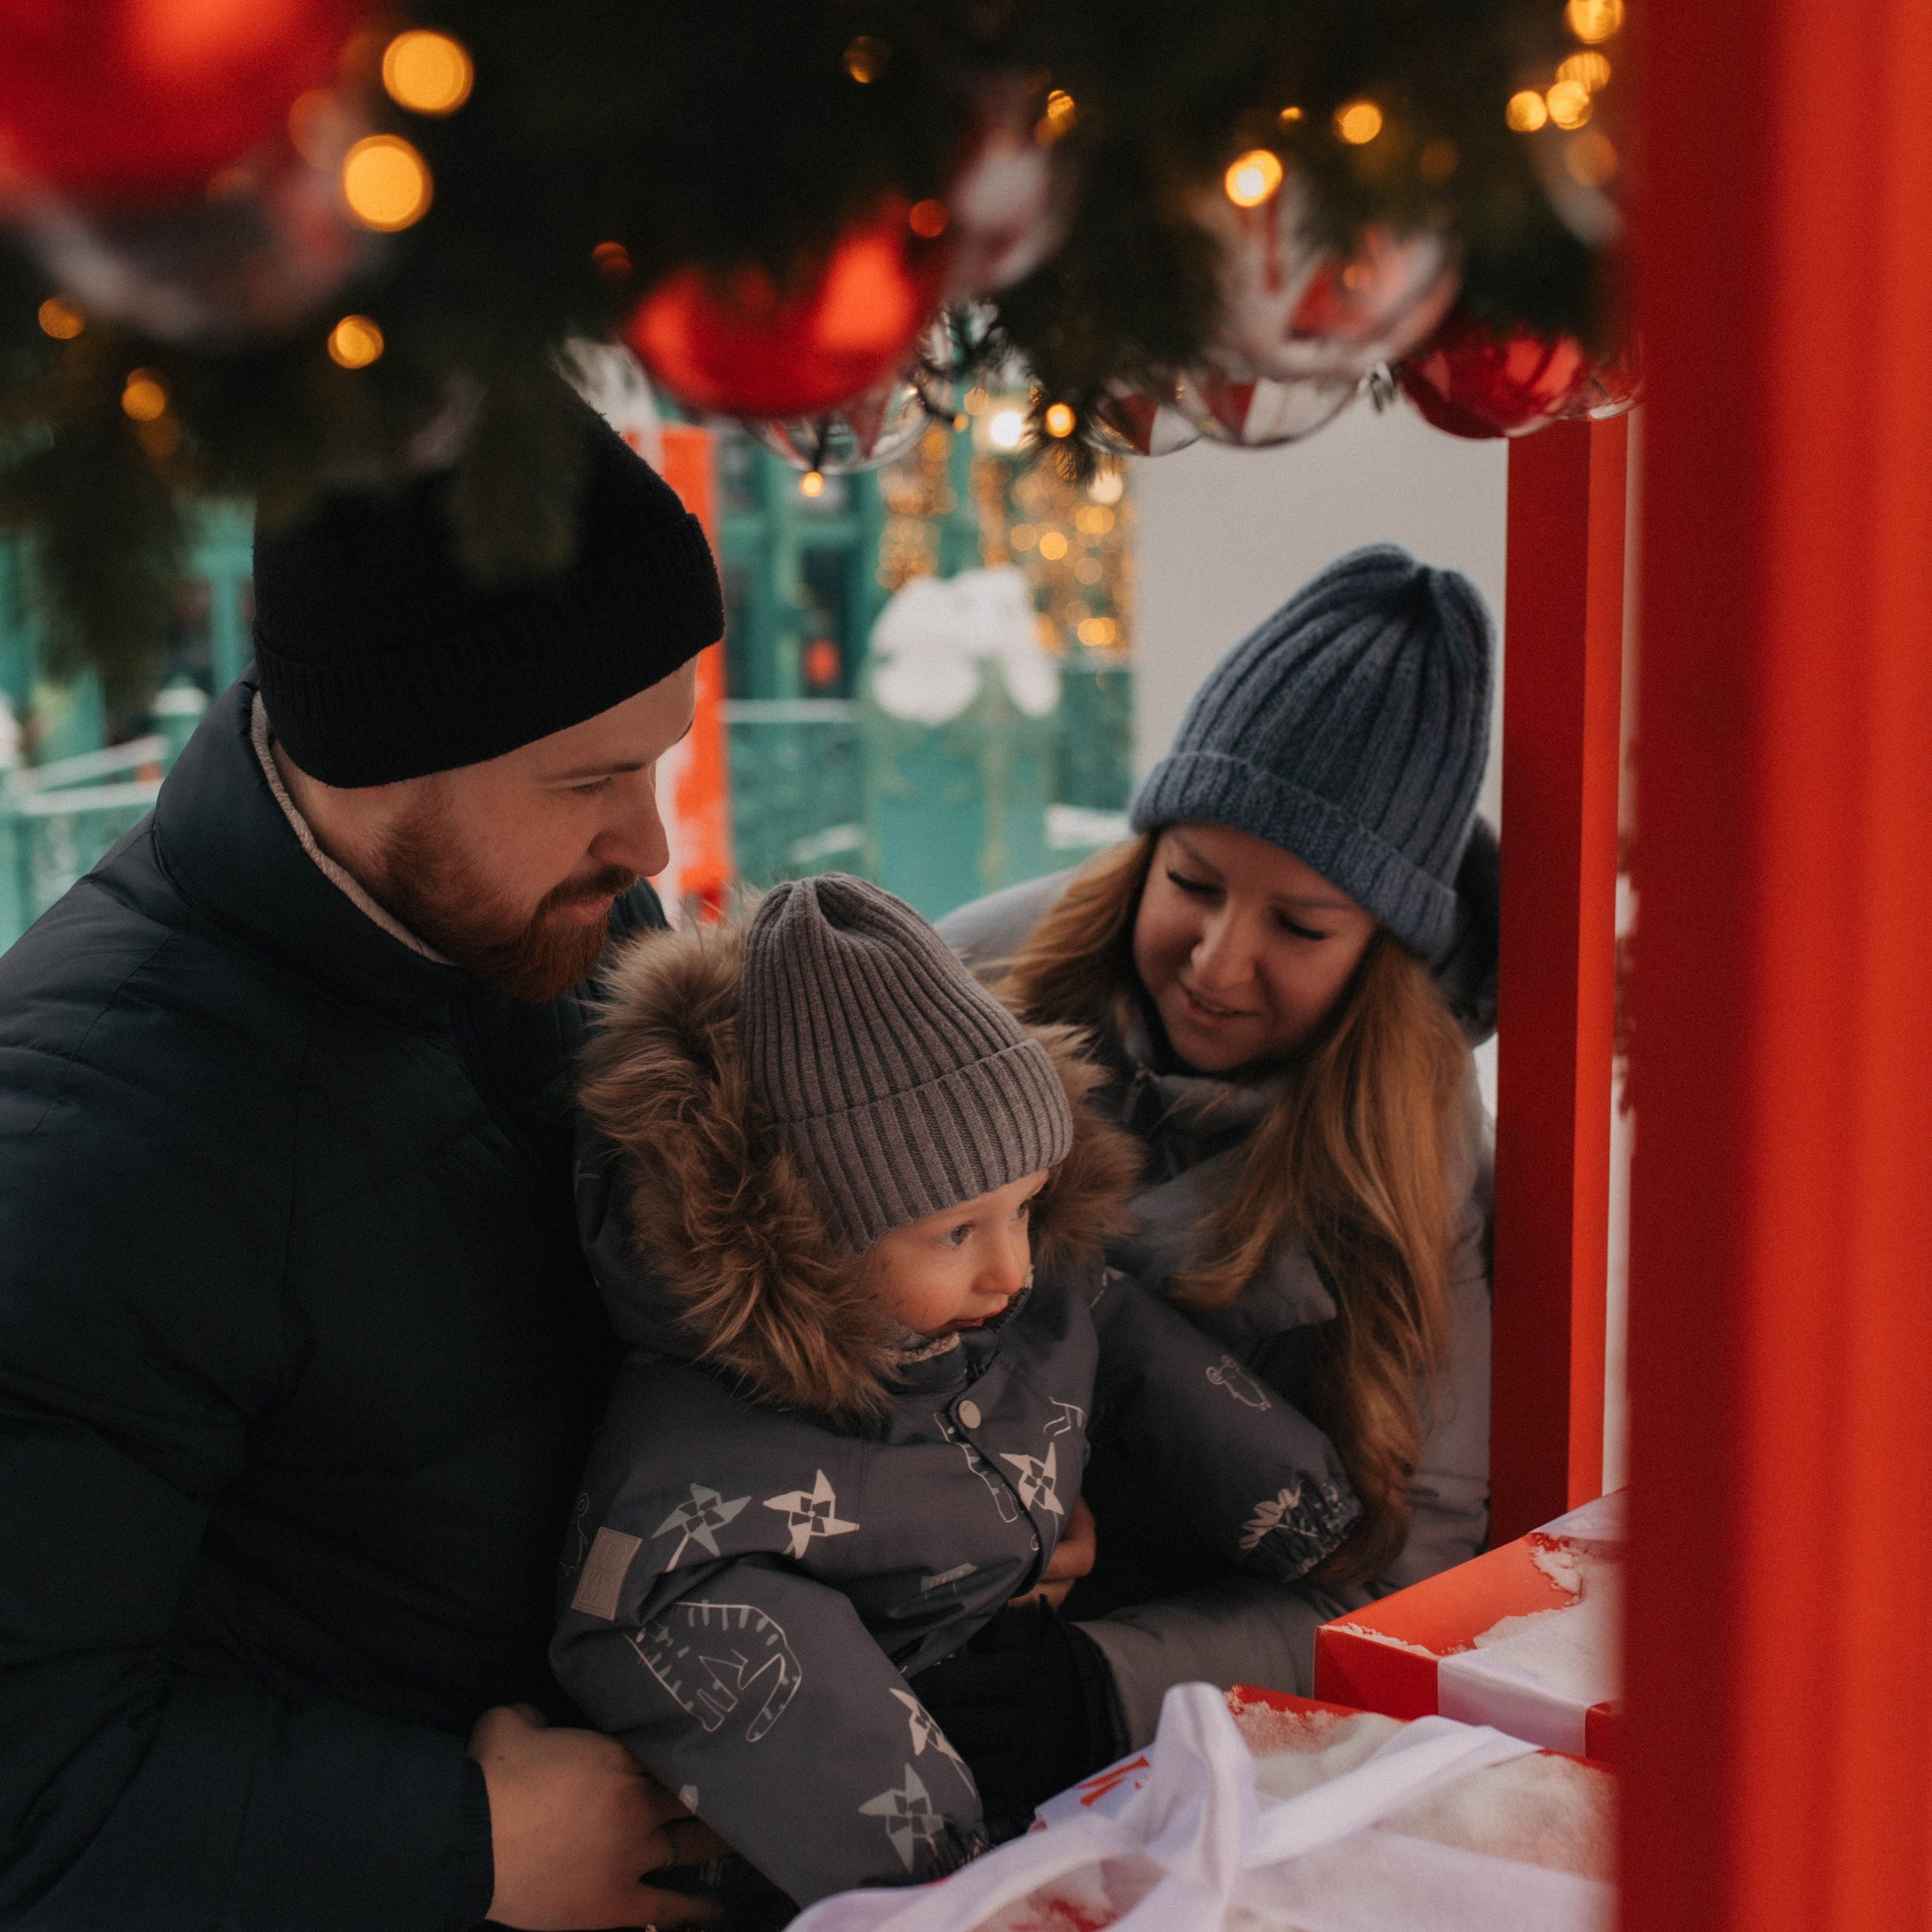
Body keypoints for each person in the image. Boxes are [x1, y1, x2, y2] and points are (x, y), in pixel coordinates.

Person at [0, 404, 736, 1932]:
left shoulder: (550, 921)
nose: (649, 841)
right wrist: (463, 1842)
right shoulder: (81, 1144)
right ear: (393, 751)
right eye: (587, 777)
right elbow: (32, 1789)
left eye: (657, 754)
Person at [552, 874, 1361, 1912]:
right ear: (810, 1233)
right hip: (835, 1859)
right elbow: (677, 1614)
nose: (1012, 1270)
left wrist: (1294, 1499)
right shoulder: (710, 1448)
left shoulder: (1008, 1302)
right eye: (957, 1233)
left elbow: (1124, 1335)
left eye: (1025, 1209)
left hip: (1026, 1747)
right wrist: (938, 1859)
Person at [938, 543, 1498, 1749]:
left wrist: (1104, 1684)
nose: (1217, 959)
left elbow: (1416, 1569)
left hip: (1142, 1724)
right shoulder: (971, 987)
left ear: (1382, 952)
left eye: (1300, 924)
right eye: (1192, 880)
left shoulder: (1417, 1157)